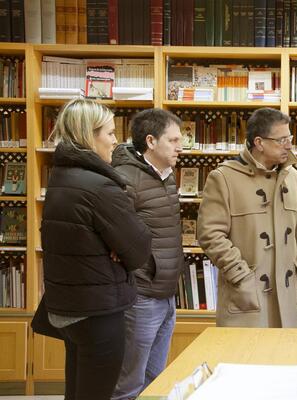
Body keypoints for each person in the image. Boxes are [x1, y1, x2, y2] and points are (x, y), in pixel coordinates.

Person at [40, 99, 152, 400]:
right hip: (98, 309)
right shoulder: (99, 187)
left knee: (77, 390)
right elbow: (139, 249)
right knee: (97, 393)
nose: (116, 141)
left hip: (70, 306)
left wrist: (113, 243)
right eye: (110, 132)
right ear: (89, 135)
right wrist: (116, 246)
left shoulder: (60, 177)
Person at [197, 107, 297, 328]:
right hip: (247, 296)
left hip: (289, 299)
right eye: (282, 140)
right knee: (245, 360)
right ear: (259, 143)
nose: (289, 145)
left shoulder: (293, 177)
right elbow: (210, 234)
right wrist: (241, 276)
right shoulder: (223, 178)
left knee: (287, 360)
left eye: (290, 138)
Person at [111, 109, 185, 400]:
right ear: (151, 141)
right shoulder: (126, 178)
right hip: (141, 295)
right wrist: (142, 267)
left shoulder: (167, 175)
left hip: (167, 293)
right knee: (128, 382)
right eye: (174, 140)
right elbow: (114, 235)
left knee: (155, 378)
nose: (181, 146)